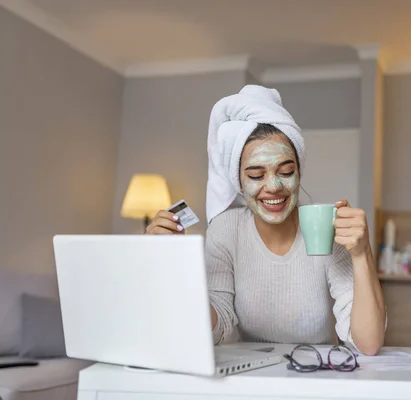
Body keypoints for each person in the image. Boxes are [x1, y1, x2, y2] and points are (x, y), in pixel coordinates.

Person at [146, 85, 386, 355]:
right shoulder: (226, 229)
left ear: (299, 172)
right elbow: (215, 328)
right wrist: (173, 263)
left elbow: (369, 343)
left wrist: (362, 252)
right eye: (256, 175)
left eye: (285, 171)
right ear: (238, 181)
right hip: (251, 380)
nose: (273, 186)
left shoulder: (326, 227)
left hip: (318, 376)